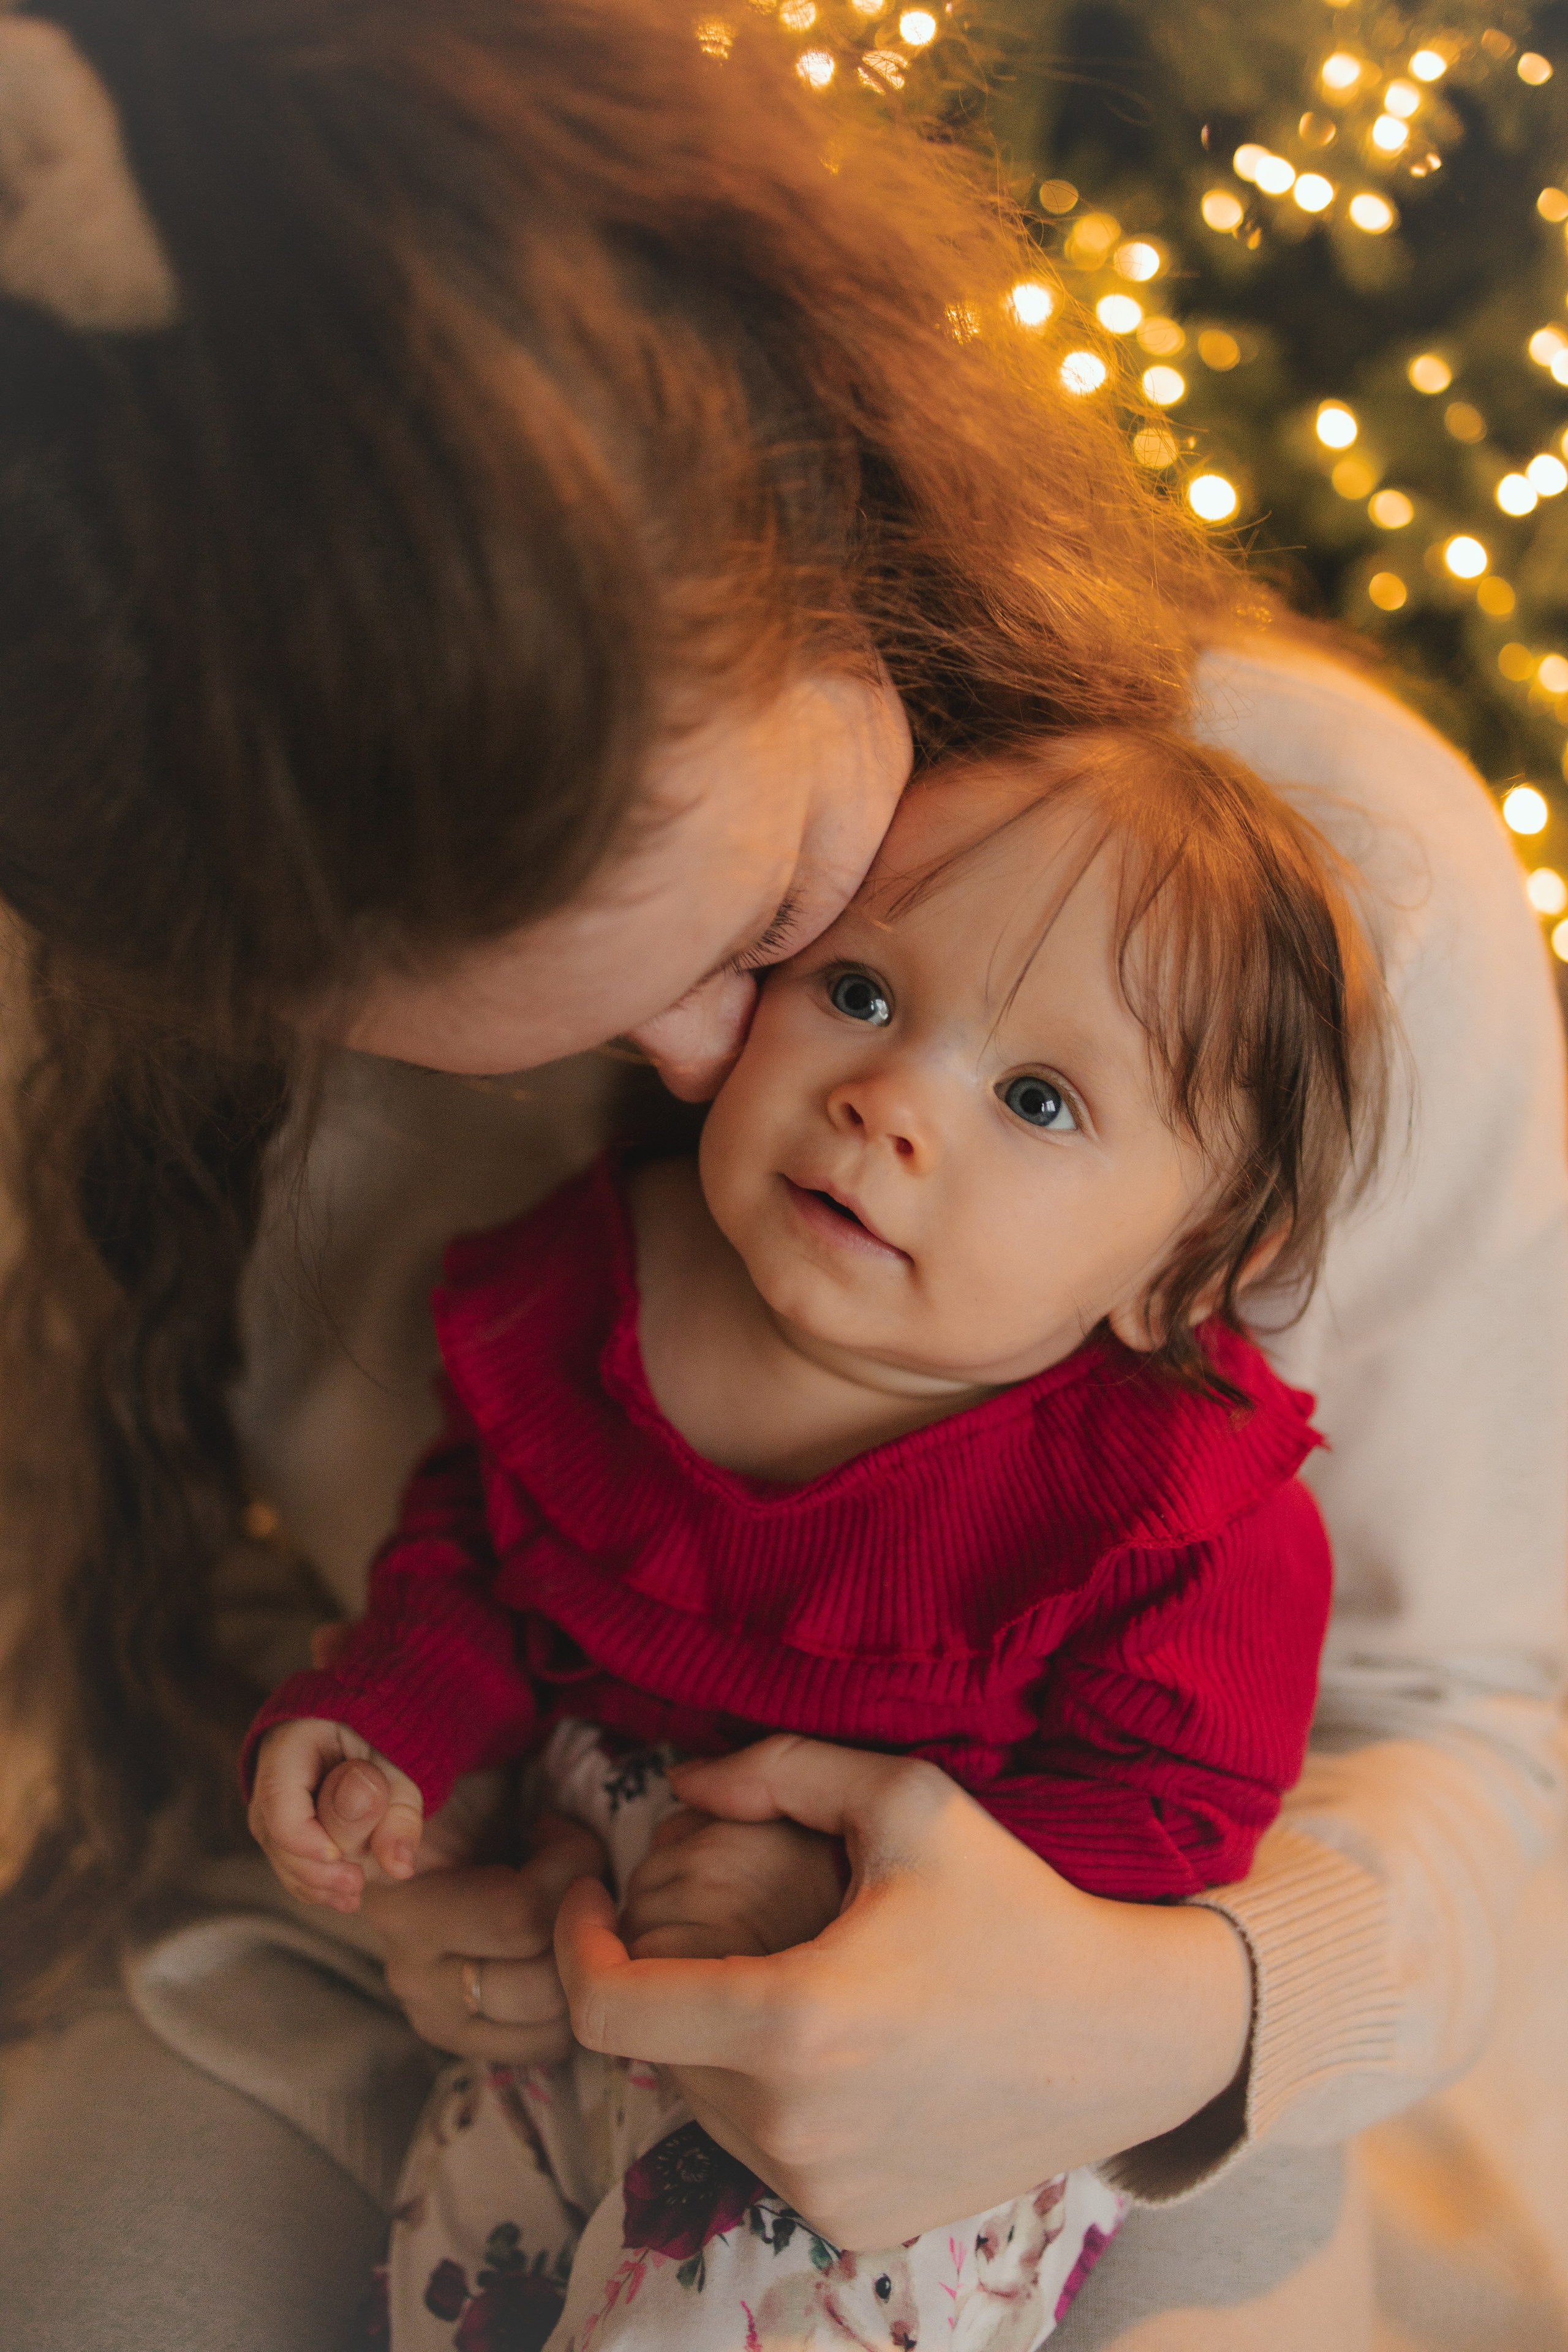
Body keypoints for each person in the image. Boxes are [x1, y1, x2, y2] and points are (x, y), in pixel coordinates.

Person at [0, 6, 1560, 2351]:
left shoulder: (1328, 910)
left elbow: (1460, 1715)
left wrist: (1138, 2013)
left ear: (809, 523)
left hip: (1091, 2040)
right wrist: (395, 1844)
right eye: (843, 992)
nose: (723, 1083)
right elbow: (373, 1545)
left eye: (767, 934)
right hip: (514, 1950)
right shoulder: (258, 841)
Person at [244, 731, 1392, 2348]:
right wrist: (391, 1733)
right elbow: (468, 1568)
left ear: (1184, 1265)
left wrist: (848, 1899)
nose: (889, 1099)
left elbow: (1175, 1810)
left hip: (894, 2101)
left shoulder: (1170, 1506)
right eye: (859, 991)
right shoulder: (589, 1287)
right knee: (457, 2291)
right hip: (560, 2001)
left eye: (1039, 1099)